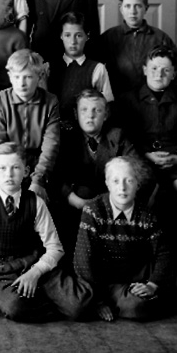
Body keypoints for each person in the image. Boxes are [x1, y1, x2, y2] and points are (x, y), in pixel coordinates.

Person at [73, 156, 177, 322]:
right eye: (116, 181)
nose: (122, 188)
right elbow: (83, 260)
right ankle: (146, 299)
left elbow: (163, 253)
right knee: (136, 307)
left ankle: (153, 295)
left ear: (138, 184)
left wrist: (152, 284)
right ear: (107, 184)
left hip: (141, 271)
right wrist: (99, 300)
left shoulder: (146, 214)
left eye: (129, 181)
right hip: (111, 279)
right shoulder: (94, 211)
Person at [0, 143, 91, 321]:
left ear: (26, 171)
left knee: (79, 306)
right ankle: (48, 301)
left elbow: (55, 248)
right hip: (3, 271)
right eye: (2, 168)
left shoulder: (35, 202)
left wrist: (35, 273)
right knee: (14, 307)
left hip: (34, 263)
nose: (9, 174)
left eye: (15, 168)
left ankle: (58, 298)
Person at [117, 46, 177, 266]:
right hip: (142, 161)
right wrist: (145, 155)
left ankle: (174, 236)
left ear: (173, 74)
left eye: (166, 70)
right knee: (139, 201)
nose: (159, 74)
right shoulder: (128, 100)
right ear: (145, 70)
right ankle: (143, 249)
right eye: (154, 68)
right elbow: (123, 136)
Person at [52, 89, 139, 254]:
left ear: (105, 115)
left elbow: (137, 170)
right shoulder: (67, 139)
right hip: (77, 202)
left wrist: (113, 200)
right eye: (84, 110)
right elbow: (56, 175)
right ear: (76, 114)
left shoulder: (117, 136)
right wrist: (74, 199)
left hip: (112, 200)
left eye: (97, 110)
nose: (90, 116)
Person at [0, 49, 60, 202]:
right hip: (8, 163)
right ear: (10, 76)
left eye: (28, 77)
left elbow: (51, 145)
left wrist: (38, 180)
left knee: (44, 201)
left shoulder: (50, 102)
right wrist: (9, 174)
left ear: (39, 76)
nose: (21, 83)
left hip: (39, 165)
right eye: (16, 77)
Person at [100, 0, 177, 96]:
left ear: (146, 8)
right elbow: (93, 71)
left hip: (151, 102)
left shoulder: (160, 38)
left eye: (138, 6)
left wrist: (164, 99)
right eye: (127, 6)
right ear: (121, 9)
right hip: (117, 101)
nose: (132, 12)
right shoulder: (108, 37)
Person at [47, 11, 113, 128]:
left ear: (87, 36)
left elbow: (107, 106)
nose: (73, 42)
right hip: (54, 130)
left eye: (78, 35)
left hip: (84, 131)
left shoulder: (97, 69)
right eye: (67, 35)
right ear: (61, 36)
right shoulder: (48, 67)